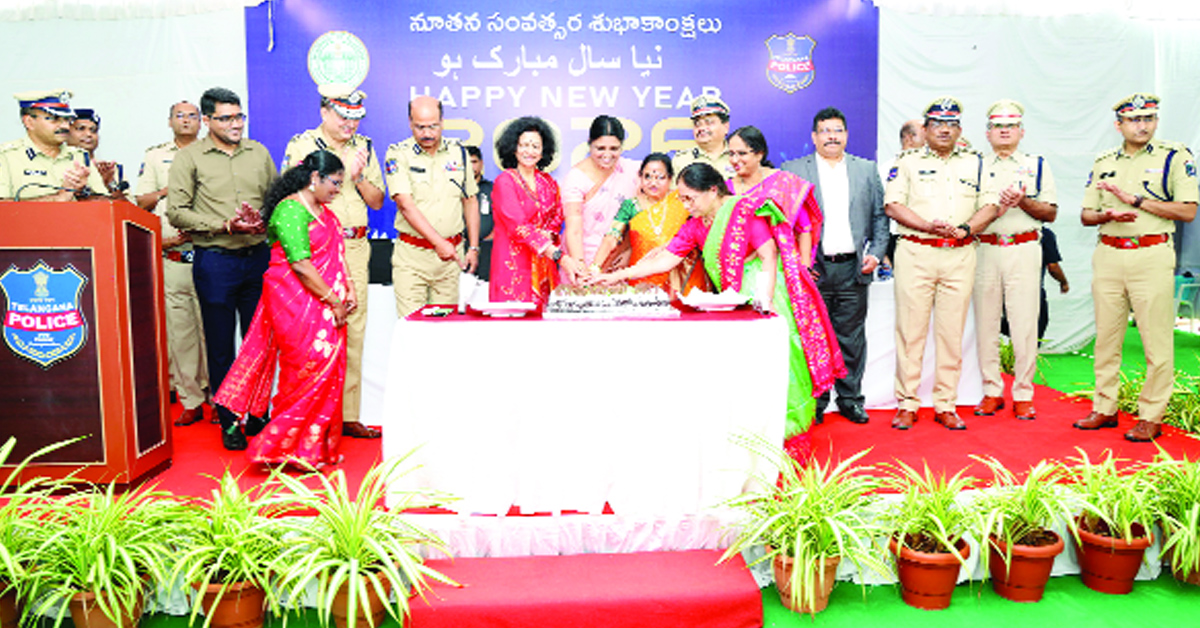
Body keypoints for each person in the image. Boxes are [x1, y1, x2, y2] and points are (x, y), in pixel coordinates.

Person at [591, 161, 844, 460]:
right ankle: (751, 439)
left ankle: (787, 443)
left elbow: (768, 255)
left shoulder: (743, 211)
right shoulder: (696, 225)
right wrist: (616, 276)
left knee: (781, 367)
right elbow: (665, 260)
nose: (686, 205)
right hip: (731, 300)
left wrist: (765, 303)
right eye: (682, 199)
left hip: (765, 291)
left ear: (712, 191)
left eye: (690, 198)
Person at [213, 150, 354, 468]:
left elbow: (338, 254)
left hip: (326, 301)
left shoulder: (324, 212)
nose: (338, 189)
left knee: (328, 370)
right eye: (334, 182)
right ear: (315, 178)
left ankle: (314, 449)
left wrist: (350, 289)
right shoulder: (290, 209)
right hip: (295, 302)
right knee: (305, 369)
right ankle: (281, 448)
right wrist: (334, 300)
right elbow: (301, 264)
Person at [1074, 93, 1198, 442]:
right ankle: (1105, 407)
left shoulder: (1174, 156)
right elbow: (1086, 215)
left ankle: (1151, 415)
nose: (1142, 125)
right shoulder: (1103, 161)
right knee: (1106, 338)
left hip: (1151, 254)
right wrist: (1107, 215)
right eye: (1134, 119)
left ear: (1156, 121)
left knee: (1156, 340)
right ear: (1119, 125)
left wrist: (1138, 201)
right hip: (1109, 254)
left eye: (1148, 118)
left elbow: (1188, 210)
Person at [167, 87, 278, 451]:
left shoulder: (258, 152)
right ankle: (229, 420)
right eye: (226, 118)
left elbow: (276, 198)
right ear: (208, 120)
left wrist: (262, 219)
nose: (236, 124)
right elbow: (177, 211)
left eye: (239, 116)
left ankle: (258, 414)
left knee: (258, 342)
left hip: (257, 258)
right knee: (220, 345)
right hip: (215, 260)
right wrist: (224, 225)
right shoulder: (190, 158)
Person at [884, 97, 1000, 431]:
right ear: (925, 129)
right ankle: (907, 403)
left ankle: (946, 403)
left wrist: (967, 228)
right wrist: (926, 226)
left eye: (951, 124)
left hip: (959, 254)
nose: (945, 129)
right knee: (911, 332)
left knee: (951, 333)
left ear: (960, 130)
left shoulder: (977, 163)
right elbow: (893, 205)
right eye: (937, 124)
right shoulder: (906, 162)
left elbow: (990, 205)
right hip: (916, 252)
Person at [282, 87, 385, 440]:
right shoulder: (303, 145)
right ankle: (312, 416)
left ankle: (348, 415)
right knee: (313, 331)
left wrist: (357, 177)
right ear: (324, 112)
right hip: (316, 250)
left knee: (352, 330)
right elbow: (290, 197)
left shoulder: (364, 147)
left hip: (354, 247)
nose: (350, 124)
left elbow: (377, 202)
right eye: (343, 116)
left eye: (356, 118)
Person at [781, 107, 888, 425]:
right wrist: (798, 263)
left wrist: (876, 253)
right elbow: (783, 223)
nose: (832, 136)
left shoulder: (866, 170)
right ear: (814, 137)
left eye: (838, 130)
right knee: (812, 337)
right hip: (812, 270)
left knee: (851, 338)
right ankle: (815, 403)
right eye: (825, 131)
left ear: (846, 135)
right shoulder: (793, 170)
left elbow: (880, 217)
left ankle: (850, 400)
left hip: (853, 268)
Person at [971, 100, 1058, 422]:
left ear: (1022, 131)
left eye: (1011, 125)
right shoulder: (976, 165)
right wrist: (995, 210)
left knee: (1024, 323)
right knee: (986, 323)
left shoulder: (1037, 165)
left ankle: (1023, 393)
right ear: (988, 133)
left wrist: (1023, 202)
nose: (1004, 131)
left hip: (1024, 247)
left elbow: (1050, 212)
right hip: (985, 248)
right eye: (998, 126)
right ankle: (991, 390)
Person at [135, 101, 209, 427]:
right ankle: (191, 400)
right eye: (180, 115)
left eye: (193, 115)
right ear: (170, 122)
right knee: (181, 334)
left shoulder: (212, 152)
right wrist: (169, 190)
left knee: (213, 331)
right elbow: (141, 201)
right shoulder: (155, 156)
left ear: (202, 121)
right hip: (174, 258)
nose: (187, 120)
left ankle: (217, 396)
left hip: (209, 254)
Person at [385, 95, 480, 317]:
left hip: (451, 260)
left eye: (433, 126)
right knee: (412, 328)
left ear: (442, 122)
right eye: (420, 127)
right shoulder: (398, 154)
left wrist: (474, 247)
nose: (427, 133)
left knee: (446, 329)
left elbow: (470, 200)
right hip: (412, 258)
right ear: (410, 123)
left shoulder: (459, 152)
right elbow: (405, 204)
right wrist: (438, 242)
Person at [489, 116, 586, 303]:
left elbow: (558, 216)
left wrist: (548, 234)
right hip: (514, 263)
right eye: (524, 145)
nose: (530, 151)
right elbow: (518, 226)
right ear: (514, 148)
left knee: (543, 316)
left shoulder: (548, 182)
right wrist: (559, 256)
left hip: (544, 264)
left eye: (535, 146)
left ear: (543, 152)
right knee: (513, 315)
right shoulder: (505, 181)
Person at [590, 153, 706, 294]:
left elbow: (700, 229)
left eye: (660, 177)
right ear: (640, 178)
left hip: (682, 275)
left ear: (670, 178)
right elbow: (611, 237)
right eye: (648, 176)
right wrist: (595, 267)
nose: (653, 183)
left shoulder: (684, 201)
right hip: (642, 273)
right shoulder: (631, 206)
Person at [561, 115, 639, 272]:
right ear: (589, 145)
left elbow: (643, 216)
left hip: (620, 261)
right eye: (600, 148)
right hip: (583, 257)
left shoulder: (634, 171)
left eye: (614, 149)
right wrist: (580, 268)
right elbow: (574, 229)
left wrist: (629, 249)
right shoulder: (576, 178)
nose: (607, 155)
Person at [0, 90, 105, 201]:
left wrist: (82, 193)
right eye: (55, 119)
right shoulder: (6, 157)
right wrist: (57, 198)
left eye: (67, 119)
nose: (65, 126)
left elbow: (104, 203)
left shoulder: (79, 156)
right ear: (29, 122)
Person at [66, 108, 127, 198]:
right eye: (81, 129)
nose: (88, 134)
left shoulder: (111, 169)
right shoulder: (58, 165)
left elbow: (129, 205)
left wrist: (109, 184)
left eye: (93, 130)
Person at [671, 95, 734, 179]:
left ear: (726, 127)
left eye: (709, 122)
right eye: (697, 124)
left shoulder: (739, 157)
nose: (702, 128)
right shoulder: (681, 160)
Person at [465, 145, 495, 282]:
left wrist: (490, 237)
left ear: (481, 163)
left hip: (488, 248)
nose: (471, 167)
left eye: (474, 162)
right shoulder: (454, 190)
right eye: (466, 163)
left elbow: (503, 217)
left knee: (485, 288)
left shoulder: (492, 188)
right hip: (461, 248)